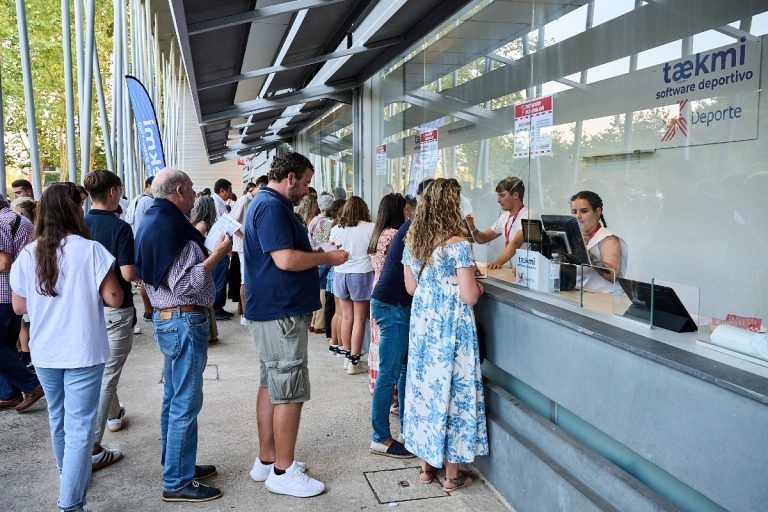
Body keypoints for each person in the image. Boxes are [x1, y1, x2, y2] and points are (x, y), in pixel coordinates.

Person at [10, 182, 124, 512]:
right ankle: (70, 503)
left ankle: (68, 478)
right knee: (80, 430)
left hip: (45, 351)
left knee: (59, 421)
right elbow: (114, 299)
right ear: (73, 211)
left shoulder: (28, 254)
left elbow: (19, 307)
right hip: (83, 349)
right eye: (80, 206)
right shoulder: (89, 250)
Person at [244, 152, 348, 497]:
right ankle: (282, 470)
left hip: (272, 309)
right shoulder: (272, 206)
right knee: (288, 388)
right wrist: (326, 257)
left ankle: (268, 459)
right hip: (281, 311)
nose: (306, 190)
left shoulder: (266, 203)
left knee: (271, 383)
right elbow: (285, 259)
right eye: (304, 182)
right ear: (290, 177)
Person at [135, 168, 232, 503]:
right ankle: (176, 480)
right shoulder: (171, 226)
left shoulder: (151, 220)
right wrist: (216, 256)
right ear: (178, 190)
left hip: (168, 319)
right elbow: (187, 284)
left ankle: (176, 463)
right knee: (185, 402)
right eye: (190, 190)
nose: (194, 196)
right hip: (183, 319)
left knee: (173, 398)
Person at [402, 178, 488, 492]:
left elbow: (411, 288)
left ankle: (426, 469)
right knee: (454, 392)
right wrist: (472, 286)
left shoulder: (414, 239)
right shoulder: (457, 243)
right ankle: (452, 475)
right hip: (452, 326)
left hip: (424, 324)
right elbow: (469, 296)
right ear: (452, 205)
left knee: (426, 389)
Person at [368, 181, 431, 459]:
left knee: (402, 370)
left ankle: (408, 428)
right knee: (390, 373)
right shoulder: (416, 227)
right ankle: (380, 437)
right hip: (392, 306)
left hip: (396, 305)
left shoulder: (416, 226)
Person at [83, 170, 139, 471]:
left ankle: (115, 414)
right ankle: (92, 445)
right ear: (115, 191)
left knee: (105, 368)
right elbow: (128, 274)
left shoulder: (78, 226)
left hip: (88, 309)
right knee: (108, 374)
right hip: (116, 308)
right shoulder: (120, 228)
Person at [0, 196, 43, 413]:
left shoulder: (0, 223)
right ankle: (10, 393)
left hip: (2, 292)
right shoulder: (22, 221)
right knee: (7, 345)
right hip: (18, 291)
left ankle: (32, 384)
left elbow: (3, 262)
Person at [330, 196, 375, 375]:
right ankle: (355, 361)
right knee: (359, 318)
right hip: (362, 274)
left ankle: (347, 356)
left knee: (346, 317)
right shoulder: (370, 228)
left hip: (340, 274)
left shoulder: (336, 229)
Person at [366, 193, 406, 394]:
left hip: (377, 288)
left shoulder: (379, 232)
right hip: (390, 294)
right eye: (406, 209)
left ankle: (380, 390)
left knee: (378, 342)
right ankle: (392, 395)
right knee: (390, 347)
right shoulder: (394, 235)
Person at [466, 176, 534, 269]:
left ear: (515, 195)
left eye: (502, 195)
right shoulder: (504, 217)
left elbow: (516, 243)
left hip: (525, 273)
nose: (498, 200)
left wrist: (498, 263)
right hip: (511, 271)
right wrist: (472, 227)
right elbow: (483, 238)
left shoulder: (529, 216)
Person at [570, 191, 628, 293]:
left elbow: (612, 275)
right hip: (580, 298)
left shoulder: (608, 239)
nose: (578, 216)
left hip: (607, 300)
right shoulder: (575, 238)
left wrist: (586, 253)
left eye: (584, 211)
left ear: (597, 212)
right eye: (574, 212)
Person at [190, 195, 221, 343]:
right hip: (203, 261)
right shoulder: (202, 225)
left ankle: (211, 332)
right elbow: (195, 242)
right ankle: (209, 332)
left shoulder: (198, 223)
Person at [125, 176, 156, 323]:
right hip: (146, 244)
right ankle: (149, 310)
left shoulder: (136, 199)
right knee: (147, 280)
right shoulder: (149, 201)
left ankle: (148, 311)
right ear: (149, 185)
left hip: (137, 242)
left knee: (145, 279)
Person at [229, 181, 259, 326]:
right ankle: (245, 314)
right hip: (243, 247)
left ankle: (250, 311)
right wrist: (245, 237)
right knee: (245, 279)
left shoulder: (253, 200)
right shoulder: (243, 201)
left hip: (250, 246)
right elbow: (230, 223)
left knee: (249, 278)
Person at [319, 199, 345, 355]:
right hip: (340, 271)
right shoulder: (336, 227)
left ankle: (333, 341)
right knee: (343, 313)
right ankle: (341, 345)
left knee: (336, 310)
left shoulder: (333, 227)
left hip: (332, 272)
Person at [307, 193, 335, 333]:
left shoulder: (313, 220)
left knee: (318, 290)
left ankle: (313, 322)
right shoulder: (329, 223)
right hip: (323, 258)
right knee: (323, 291)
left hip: (312, 257)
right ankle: (319, 323)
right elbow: (326, 244)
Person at [211, 179, 233, 319]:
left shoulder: (218, 202)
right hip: (218, 246)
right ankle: (216, 308)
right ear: (222, 190)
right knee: (219, 277)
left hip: (219, 246)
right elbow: (223, 226)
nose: (230, 194)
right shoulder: (216, 202)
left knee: (222, 277)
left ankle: (219, 306)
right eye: (229, 191)